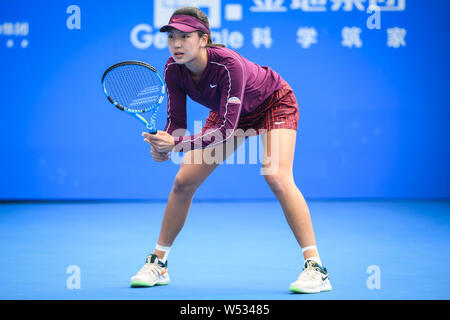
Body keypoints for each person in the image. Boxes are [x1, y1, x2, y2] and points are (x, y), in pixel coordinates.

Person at [130, 6, 332, 294]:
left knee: (276, 176)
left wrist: (175, 144)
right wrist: (165, 147)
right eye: (171, 36)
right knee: (182, 182)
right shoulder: (173, 69)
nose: (176, 43)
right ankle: (158, 264)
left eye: (185, 36)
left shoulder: (228, 64)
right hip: (229, 114)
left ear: (203, 39)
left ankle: (316, 268)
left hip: (273, 104)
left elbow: (224, 130)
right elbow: (177, 126)